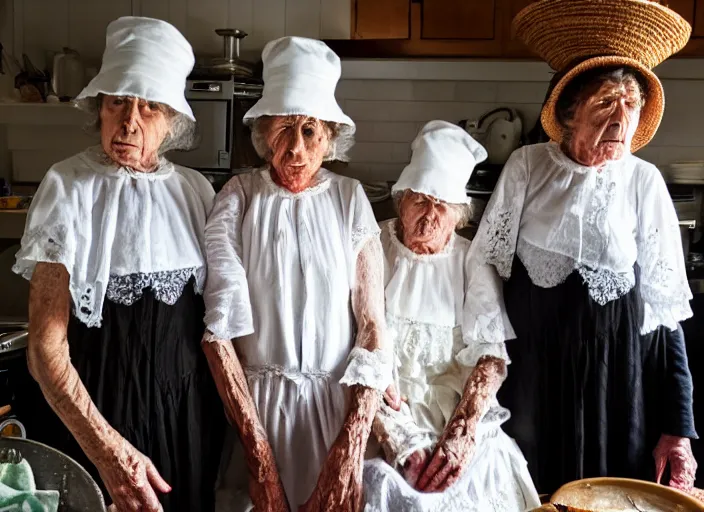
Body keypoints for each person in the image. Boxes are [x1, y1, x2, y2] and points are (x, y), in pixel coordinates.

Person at [470, 0, 698, 496]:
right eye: (605, 103)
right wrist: (489, 363)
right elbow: (484, 263)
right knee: (534, 494)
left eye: (630, 105)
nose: (620, 119)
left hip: (623, 386)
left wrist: (679, 426)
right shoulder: (528, 167)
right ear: (569, 113)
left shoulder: (644, 181)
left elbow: (667, 311)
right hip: (533, 379)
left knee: (616, 497)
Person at [13, 17, 225, 511]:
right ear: (99, 109)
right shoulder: (66, 186)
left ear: (171, 119)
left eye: (149, 106)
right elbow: (46, 349)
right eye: (117, 102)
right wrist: (108, 452)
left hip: (184, 421)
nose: (130, 120)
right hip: (93, 419)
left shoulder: (196, 191)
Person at [201, 36, 392, 511]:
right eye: (284, 129)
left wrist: (348, 449)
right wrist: (258, 457)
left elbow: (372, 327)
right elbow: (219, 331)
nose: (296, 149)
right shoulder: (238, 197)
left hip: (339, 410)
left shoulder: (350, 198)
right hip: (257, 414)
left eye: (310, 131)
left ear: (329, 137)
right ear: (263, 133)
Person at [362, 121, 540, 512]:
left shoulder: (471, 258)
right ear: (400, 200)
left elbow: (489, 356)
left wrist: (462, 430)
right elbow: (348, 342)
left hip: (453, 413)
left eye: (441, 206)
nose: (429, 216)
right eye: (420, 200)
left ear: (458, 215)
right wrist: (396, 433)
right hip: (380, 408)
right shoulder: (370, 242)